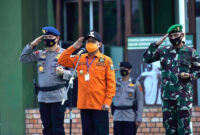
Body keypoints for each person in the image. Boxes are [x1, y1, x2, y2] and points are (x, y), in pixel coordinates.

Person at [143, 24, 200, 135]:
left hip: (184, 97)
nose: (173, 38)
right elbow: (146, 59)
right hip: (168, 97)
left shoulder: (191, 52)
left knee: (184, 129)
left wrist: (190, 76)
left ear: (182, 35)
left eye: (176, 35)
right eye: (171, 36)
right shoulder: (163, 51)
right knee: (169, 129)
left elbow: (198, 70)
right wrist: (156, 44)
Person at [58, 30, 116, 135]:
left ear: (100, 44)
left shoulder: (106, 60)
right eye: (88, 41)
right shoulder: (80, 58)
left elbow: (111, 83)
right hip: (84, 104)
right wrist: (74, 47)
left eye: (93, 41)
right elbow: (62, 60)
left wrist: (108, 102)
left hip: (100, 105)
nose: (90, 43)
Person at [20, 26, 71, 135]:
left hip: (57, 97)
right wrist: (32, 45)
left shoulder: (65, 54)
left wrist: (63, 74)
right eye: (46, 37)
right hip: (43, 97)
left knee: (57, 129)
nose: (47, 39)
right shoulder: (40, 54)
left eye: (50, 36)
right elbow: (23, 58)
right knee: (46, 129)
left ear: (57, 38)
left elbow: (73, 73)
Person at [112, 62, 143, 135]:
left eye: (124, 69)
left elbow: (140, 101)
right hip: (117, 117)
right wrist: (110, 74)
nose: (122, 70)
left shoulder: (136, 83)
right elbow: (103, 84)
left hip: (130, 117)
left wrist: (139, 117)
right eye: (121, 68)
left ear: (130, 70)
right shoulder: (115, 82)